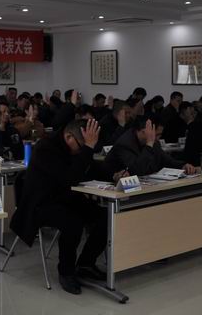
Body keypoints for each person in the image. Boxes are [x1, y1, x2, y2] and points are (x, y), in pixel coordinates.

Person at [10, 119, 121, 295]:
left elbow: (90, 166)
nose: (82, 151)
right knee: (73, 223)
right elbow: (70, 179)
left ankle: (85, 263)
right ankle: (66, 272)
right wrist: (87, 148)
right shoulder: (46, 148)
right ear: (69, 137)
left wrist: (113, 176)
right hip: (40, 203)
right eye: (81, 146)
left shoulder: (74, 147)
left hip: (65, 197)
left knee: (104, 216)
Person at [106, 115, 196, 176]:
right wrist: (149, 144)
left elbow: (166, 159)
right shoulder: (125, 144)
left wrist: (183, 165)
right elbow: (137, 170)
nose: (158, 138)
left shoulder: (153, 141)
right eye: (157, 135)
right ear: (143, 132)